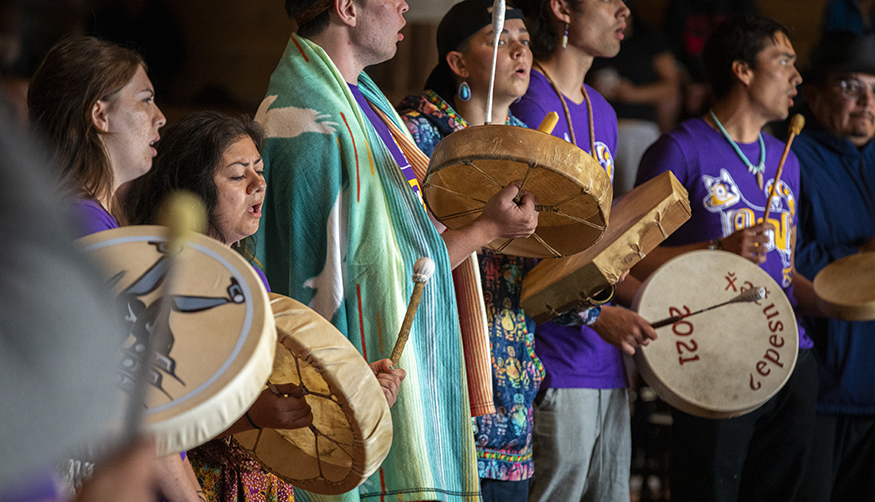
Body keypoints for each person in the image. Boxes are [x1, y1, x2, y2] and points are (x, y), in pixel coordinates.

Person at [253, 1, 538, 500]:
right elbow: (367, 276)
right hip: (359, 376)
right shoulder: (314, 124)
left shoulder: (357, 100)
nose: (406, 4)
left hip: (386, 370)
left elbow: (392, 257)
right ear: (347, 8)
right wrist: (487, 228)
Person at [634, 15, 820, 502]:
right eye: (783, 61)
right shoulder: (680, 148)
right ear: (742, 70)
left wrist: (828, 295)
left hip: (790, 351)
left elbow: (784, 268)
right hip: (715, 357)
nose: (796, 77)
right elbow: (630, 259)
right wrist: (717, 250)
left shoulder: (789, 157)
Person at [26, 35, 203, 502]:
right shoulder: (83, 226)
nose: (161, 116)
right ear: (99, 115)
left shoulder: (85, 220)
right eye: (145, 100)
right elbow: (137, 403)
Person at [509, 1, 658, 501]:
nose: (624, 9)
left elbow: (602, 247)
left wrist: (652, 297)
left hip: (608, 363)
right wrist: (599, 317)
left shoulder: (604, 110)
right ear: (561, 9)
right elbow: (523, 241)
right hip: (552, 358)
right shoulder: (527, 99)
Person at [397, 2, 541, 500]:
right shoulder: (417, 135)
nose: (520, 48)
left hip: (512, 402)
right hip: (442, 394)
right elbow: (398, 262)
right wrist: (486, 228)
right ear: (458, 64)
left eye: (524, 38)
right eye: (500, 38)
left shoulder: (533, 149)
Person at [790, 31, 875, 501]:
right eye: (850, 86)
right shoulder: (792, 157)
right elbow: (786, 258)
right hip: (821, 384)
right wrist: (862, 254)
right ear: (814, 92)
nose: (867, 101)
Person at [587, 0, 681, 196]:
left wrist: (632, 94)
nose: (620, 14)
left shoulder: (648, 38)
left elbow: (672, 85)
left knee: (636, 201)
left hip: (639, 129)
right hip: (597, 132)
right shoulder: (594, 41)